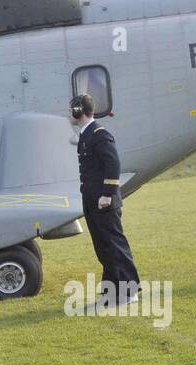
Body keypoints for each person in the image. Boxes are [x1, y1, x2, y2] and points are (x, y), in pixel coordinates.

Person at [72, 93, 140, 309]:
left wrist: (107, 194)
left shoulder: (99, 134)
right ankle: (112, 293)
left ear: (78, 110)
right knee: (103, 248)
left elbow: (113, 163)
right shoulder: (86, 134)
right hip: (92, 200)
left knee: (114, 245)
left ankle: (130, 291)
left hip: (104, 201)